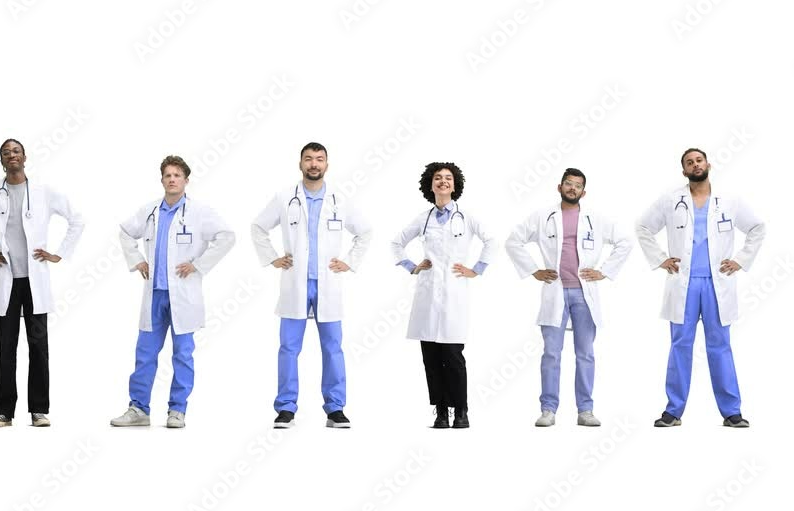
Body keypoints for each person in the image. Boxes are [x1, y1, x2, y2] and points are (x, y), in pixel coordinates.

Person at [0, 139, 85, 428]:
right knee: (7, 347)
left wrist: (58, 254)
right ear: (1, 160)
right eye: (6, 153)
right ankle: (4, 412)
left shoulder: (43, 192)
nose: (11, 156)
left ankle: (38, 410)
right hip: (7, 281)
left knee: (39, 347)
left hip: (35, 280)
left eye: (16, 151)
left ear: (25, 157)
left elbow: (77, 220)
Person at [636, 148, 765, 428]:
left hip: (717, 284)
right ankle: (673, 410)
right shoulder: (671, 200)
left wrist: (741, 260)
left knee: (720, 347)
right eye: (689, 162)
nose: (695, 165)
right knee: (680, 346)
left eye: (699, 160)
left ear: (708, 164)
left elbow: (757, 228)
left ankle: (732, 411)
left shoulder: (729, 201)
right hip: (684, 283)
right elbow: (643, 227)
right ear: (684, 171)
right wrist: (660, 259)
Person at [251, 142, 372, 429]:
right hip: (296, 284)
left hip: (328, 285)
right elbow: (258, 227)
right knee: (288, 348)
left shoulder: (339, 199)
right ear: (300, 164)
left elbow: (365, 231)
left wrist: (350, 262)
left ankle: (335, 408)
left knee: (333, 348)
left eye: (319, 159)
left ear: (327, 165)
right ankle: (285, 408)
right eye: (308, 159)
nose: (314, 164)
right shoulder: (285, 198)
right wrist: (272, 258)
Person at [111, 156, 235, 428]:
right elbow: (124, 232)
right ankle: (138, 409)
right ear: (162, 180)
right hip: (155, 294)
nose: (172, 179)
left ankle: (177, 410)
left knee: (182, 355)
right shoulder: (150, 210)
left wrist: (198, 265)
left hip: (183, 296)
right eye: (167, 175)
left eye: (177, 175)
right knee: (145, 354)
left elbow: (227, 236)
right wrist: (136, 260)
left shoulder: (199, 212)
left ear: (186, 180)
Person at [505, 168, 632, 427]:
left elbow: (624, 242)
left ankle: (585, 410)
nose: (572, 188)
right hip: (555, 291)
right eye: (568, 184)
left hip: (584, 294)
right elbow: (513, 241)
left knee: (585, 353)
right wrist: (534, 271)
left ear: (584, 192)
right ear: (559, 187)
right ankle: (548, 409)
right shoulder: (544, 217)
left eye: (577, 185)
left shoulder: (595, 219)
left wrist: (604, 271)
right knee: (551, 353)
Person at [390, 162, 497, 428]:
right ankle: (440, 412)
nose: (443, 182)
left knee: (452, 355)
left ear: (455, 184)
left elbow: (492, 241)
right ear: (430, 184)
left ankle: (461, 411)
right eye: (438, 178)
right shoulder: (423, 219)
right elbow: (396, 243)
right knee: (431, 357)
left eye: (448, 178)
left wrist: (477, 269)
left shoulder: (466, 217)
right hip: (427, 294)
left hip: (454, 292)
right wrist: (411, 266)